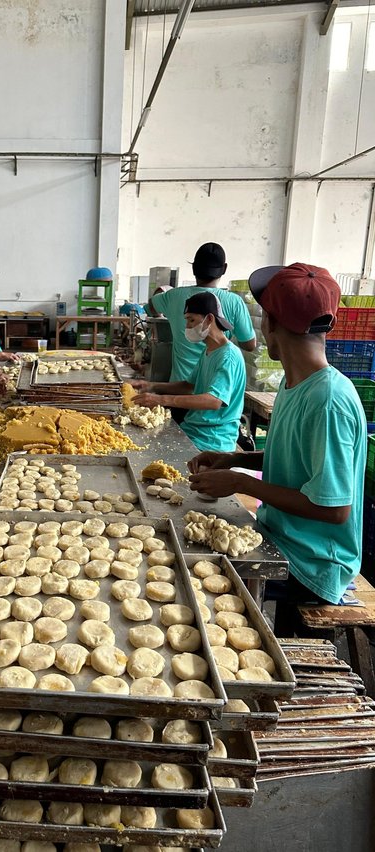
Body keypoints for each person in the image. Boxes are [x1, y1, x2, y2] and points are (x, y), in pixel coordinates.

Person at [188, 262, 367, 611]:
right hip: (281, 535)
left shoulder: (328, 400)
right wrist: (235, 459)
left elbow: (334, 509)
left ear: (271, 324)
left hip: (312, 562)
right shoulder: (294, 382)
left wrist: (242, 483)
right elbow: (298, 462)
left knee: (195, 587)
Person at [132, 291, 246, 452]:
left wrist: (162, 400)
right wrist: (151, 386)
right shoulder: (209, 351)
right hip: (194, 429)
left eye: (191, 320)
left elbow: (214, 401)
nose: (187, 327)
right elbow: (189, 386)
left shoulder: (228, 357)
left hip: (212, 439)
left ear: (210, 319)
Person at [149, 243, 256, 385]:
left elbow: (152, 307)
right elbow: (249, 344)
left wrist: (161, 292)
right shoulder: (234, 302)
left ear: (193, 268)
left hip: (181, 388)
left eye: (191, 320)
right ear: (224, 269)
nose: (188, 325)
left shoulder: (173, 296)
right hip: (212, 384)